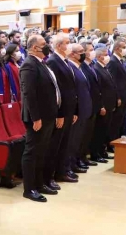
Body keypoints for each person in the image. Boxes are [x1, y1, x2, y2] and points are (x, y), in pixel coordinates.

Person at [20, 35, 59, 203]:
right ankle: (29, 188)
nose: (47, 46)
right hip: (37, 118)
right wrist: (36, 118)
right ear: (34, 47)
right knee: (32, 152)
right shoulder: (29, 65)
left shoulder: (41, 63)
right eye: (44, 44)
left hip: (48, 116)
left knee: (42, 151)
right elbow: (29, 94)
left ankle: (39, 183)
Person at [46, 33, 78, 187]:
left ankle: (62, 171)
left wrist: (74, 111)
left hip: (69, 109)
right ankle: (51, 175)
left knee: (65, 143)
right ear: (59, 46)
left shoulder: (64, 61)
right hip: (61, 111)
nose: (69, 45)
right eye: (67, 42)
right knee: (55, 145)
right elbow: (56, 90)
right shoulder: (53, 62)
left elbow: (71, 88)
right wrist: (60, 113)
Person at [67, 43, 93, 173]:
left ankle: (76, 161)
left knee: (79, 139)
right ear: (72, 54)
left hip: (84, 108)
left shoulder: (79, 67)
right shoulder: (71, 67)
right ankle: (70, 165)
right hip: (77, 110)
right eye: (81, 51)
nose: (84, 54)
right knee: (73, 140)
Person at [90, 44, 116, 163]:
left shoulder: (104, 67)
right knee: (99, 131)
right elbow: (98, 90)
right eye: (106, 55)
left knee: (106, 129)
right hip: (103, 105)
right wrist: (101, 106)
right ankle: (96, 153)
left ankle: (103, 151)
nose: (108, 57)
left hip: (110, 104)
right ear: (100, 56)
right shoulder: (96, 68)